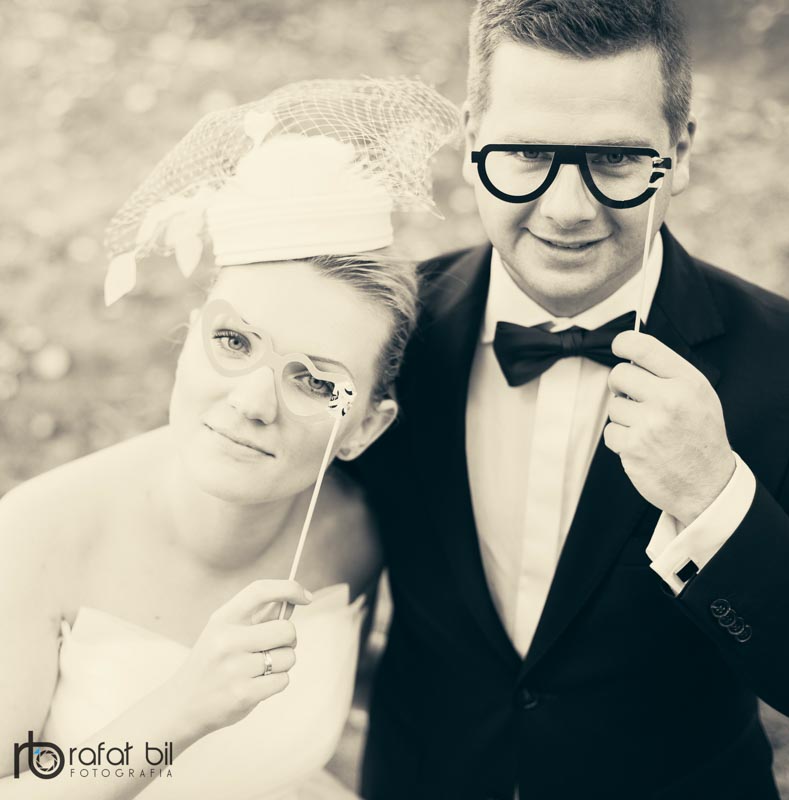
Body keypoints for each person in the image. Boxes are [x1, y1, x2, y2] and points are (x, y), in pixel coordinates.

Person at [356, 3, 789, 799]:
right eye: (527, 152)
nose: (567, 208)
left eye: (617, 158)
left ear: (680, 153)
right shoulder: (389, 336)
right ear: (471, 142)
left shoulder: (786, 362)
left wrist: (715, 499)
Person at [0, 78, 458, 799]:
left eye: (316, 382)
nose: (251, 402)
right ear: (190, 338)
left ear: (365, 428)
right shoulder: (36, 535)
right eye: (234, 341)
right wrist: (179, 710)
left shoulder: (357, 535)